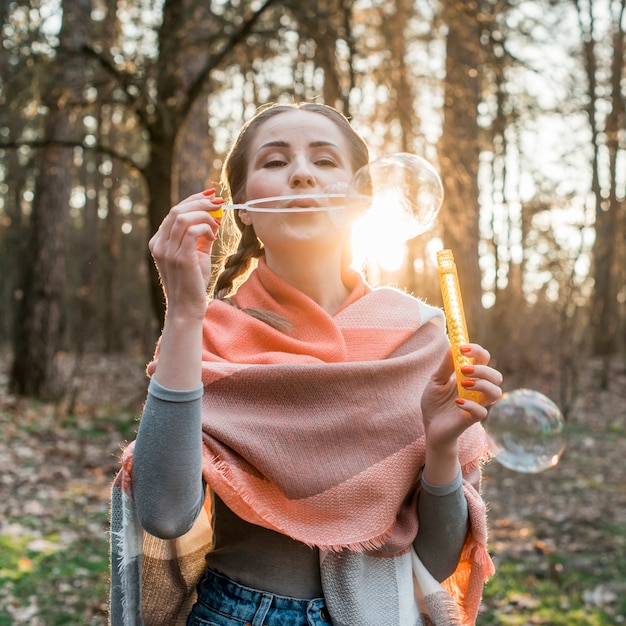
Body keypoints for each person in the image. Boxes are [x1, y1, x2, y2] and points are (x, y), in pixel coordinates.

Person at [109, 102, 503, 626]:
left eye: (324, 160)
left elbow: (434, 560)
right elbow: (163, 513)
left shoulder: (419, 340)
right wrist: (183, 312)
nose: (301, 172)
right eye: (274, 162)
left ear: (361, 200)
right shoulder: (209, 333)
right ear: (243, 208)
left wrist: (441, 445)